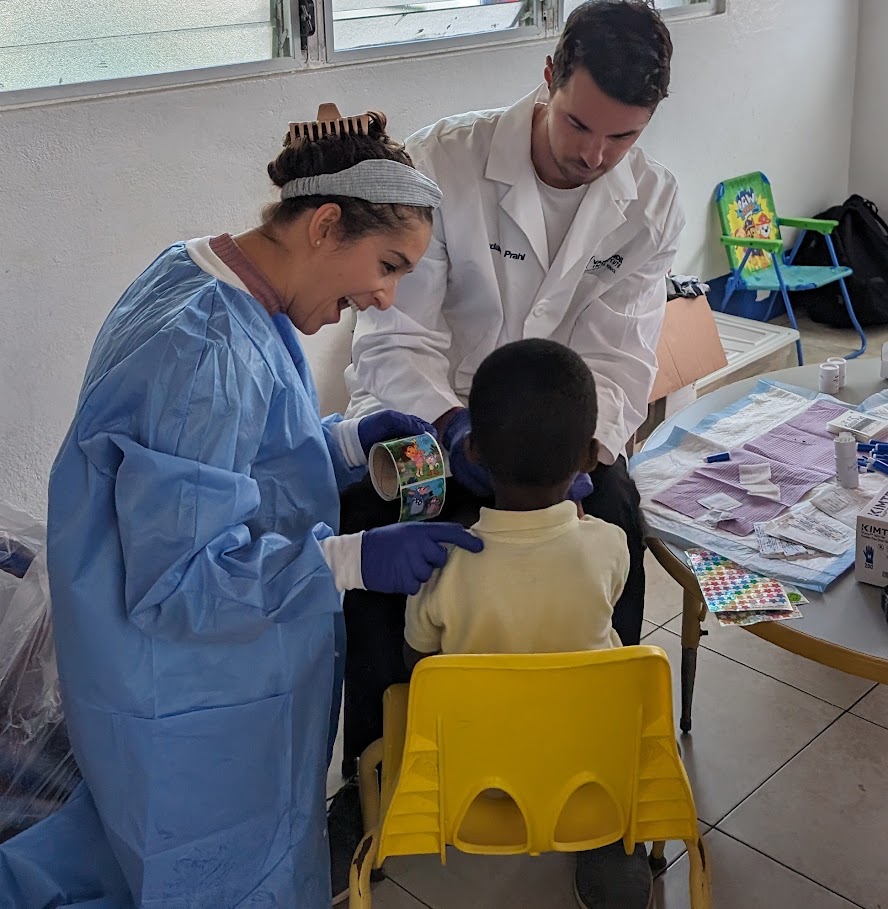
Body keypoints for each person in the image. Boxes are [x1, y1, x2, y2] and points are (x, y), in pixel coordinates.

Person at [0, 109, 484, 909]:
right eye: (388, 264)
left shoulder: (209, 279)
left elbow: (237, 455)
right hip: (189, 688)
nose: (386, 297)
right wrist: (351, 559)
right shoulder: (206, 346)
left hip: (205, 668)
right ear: (326, 224)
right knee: (209, 871)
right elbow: (181, 574)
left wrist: (347, 440)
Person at [334, 1, 684, 906]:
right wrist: (454, 430)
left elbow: (619, 358)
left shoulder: (652, 202)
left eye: (622, 137)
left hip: (564, 434)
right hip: (433, 416)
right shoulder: (444, 162)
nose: (594, 154)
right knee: (373, 526)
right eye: (579, 123)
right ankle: (372, 775)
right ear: (548, 74)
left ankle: (606, 804)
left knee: (614, 519)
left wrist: (581, 454)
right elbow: (394, 335)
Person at [403, 339, 628, 670]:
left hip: (474, 722)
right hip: (584, 720)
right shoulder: (610, 545)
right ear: (591, 456)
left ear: (472, 449)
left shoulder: (441, 565)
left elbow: (419, 665)